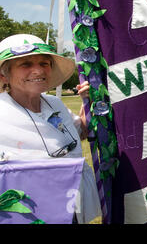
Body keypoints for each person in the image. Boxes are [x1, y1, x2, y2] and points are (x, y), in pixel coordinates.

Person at [0, 34, 101, 223]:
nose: (38, 70)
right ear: (3, 75)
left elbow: (80, 132)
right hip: (27, 213)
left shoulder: (55, 103)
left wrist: (88, 102)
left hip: (69, 206)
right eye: (26, 64)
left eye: (44, 63)